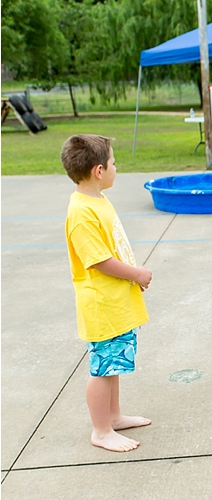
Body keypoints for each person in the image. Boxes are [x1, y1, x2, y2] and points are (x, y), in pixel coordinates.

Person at [62, 134, 152, 452]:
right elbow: (99, 261)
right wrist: (137, 273)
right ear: (99, 170)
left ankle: (112, 416)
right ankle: (100, 430)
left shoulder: (97, 199)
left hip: (117, 299)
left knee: (113, 364)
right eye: (113, 162)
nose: (117, 167)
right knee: (102, 367)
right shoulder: (81, 213)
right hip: (102, 303)